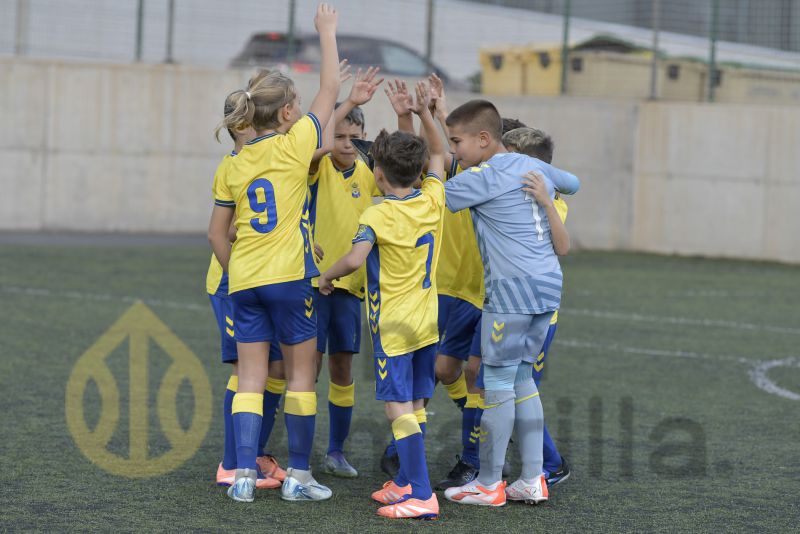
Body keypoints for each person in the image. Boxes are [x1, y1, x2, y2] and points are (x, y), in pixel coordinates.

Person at [207, 2, 340, 503]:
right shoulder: (294, 145)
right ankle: (299, 477)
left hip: (243, 282)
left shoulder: (233, 164)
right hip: (289, 278)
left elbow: (218, 235)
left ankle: (242, 474)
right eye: (296, 104)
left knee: (250, 379)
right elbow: (330, 90)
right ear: (287, 113)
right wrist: (327, 32)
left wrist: (237, 269)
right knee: (302, 375)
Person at [442, 99, 579, 507]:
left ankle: (487, 483)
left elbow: (438, 195)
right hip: (548, 288)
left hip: (511, 292)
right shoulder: (527, 166)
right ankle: (533, 479)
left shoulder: (483, 177)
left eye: (457, 142)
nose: (455, 152)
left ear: (484, 139)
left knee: (496, 385)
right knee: (522, 382)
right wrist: (547, 186)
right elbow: (573, 182)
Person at [318, 82, 444, 519]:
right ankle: (408, 480)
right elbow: (441, 157)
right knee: (415, 404)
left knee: (397, 408)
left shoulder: (376, 212)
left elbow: (355, 259)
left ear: (378, 175)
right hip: (428, 322)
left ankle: (422, 494)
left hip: (393, 325)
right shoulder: (433, 197)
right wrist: (424, 114)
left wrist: (325, 276)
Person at [307, 67, 384, 478]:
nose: (347, 144)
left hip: (349, 290)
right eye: (339, 136)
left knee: (341, 368)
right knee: (307, 367)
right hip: (314, 286)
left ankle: (336, 451)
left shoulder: (371, 176)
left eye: (355, 137)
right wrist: (349, 101)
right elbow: (320, 130)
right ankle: (295, 452)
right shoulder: (318, 168)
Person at [209, 89, 287, 491]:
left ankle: (252, 454)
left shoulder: (268, 156)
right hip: (234, 282)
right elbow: (221, 233)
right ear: (244, 124)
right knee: (245, 372)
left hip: (259, 279)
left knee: (274, 368)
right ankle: (230, 463)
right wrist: (238, 275)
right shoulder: (235, 165)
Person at [503, 125, 572, 486]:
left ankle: (552, 463)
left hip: (539, 314)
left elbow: (563, 247)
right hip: (509, 306)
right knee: (504, 386)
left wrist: (546, 201)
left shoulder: (553, 202)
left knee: (520, 387)